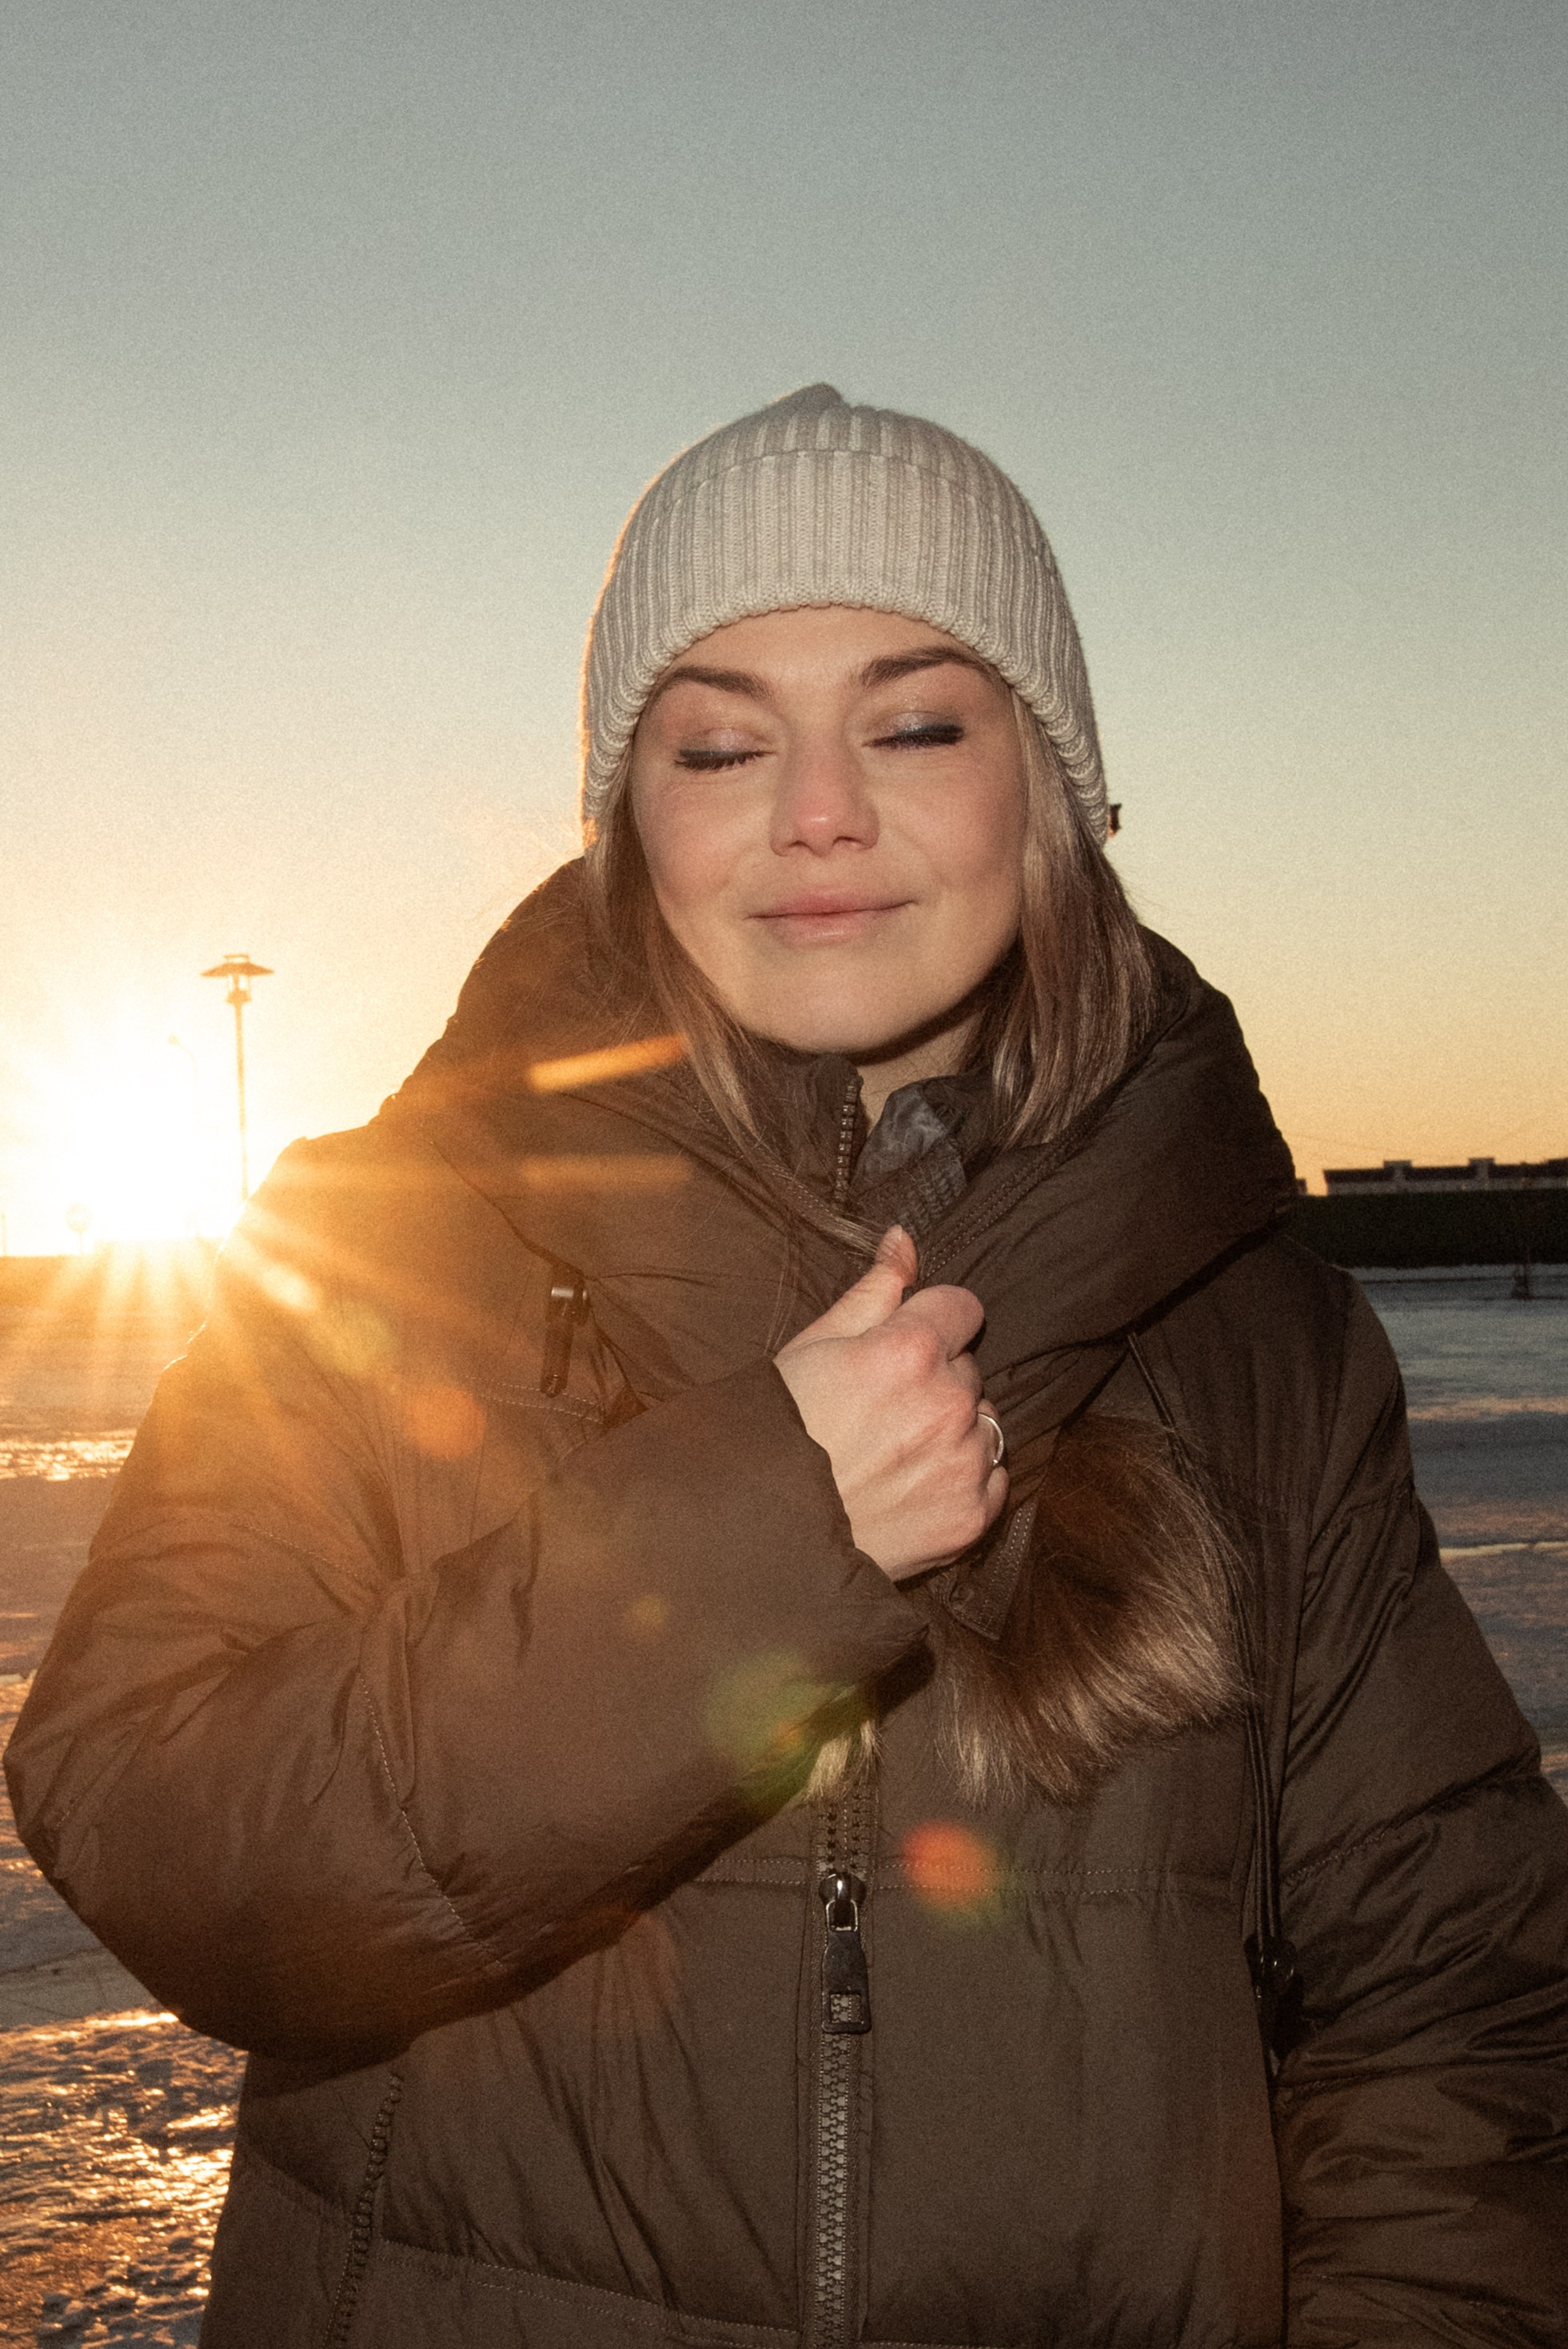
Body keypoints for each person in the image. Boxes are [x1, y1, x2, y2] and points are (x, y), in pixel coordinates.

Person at [8, 384, 1567, 2349]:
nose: (819, 811)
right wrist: (765, 1526)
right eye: (722, 739)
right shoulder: (371, 1249)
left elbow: (1456, 2014)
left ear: (1049, 788)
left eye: (916, 722)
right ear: (627, 817)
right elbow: (165, 1829)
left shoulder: (1261, 1342)